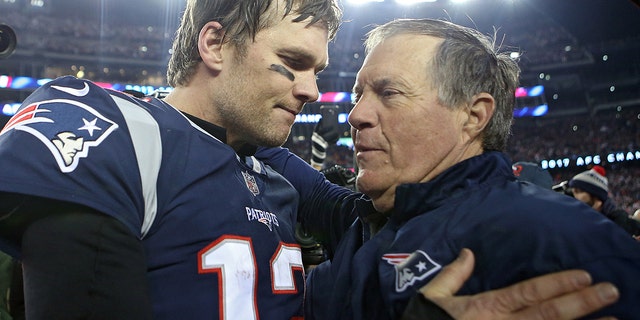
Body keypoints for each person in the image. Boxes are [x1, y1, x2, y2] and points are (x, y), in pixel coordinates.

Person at [0, 2, 621, 319]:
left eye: (318, 71)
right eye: (293, 63)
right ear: (214, 43)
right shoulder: (113, 125)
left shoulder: (277, 165)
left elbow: (413, 209)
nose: (309, 91)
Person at [257, 18, 640, 319]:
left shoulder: (561, 244)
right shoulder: (369, 222)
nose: (356, 115)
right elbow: (296, 174)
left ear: (473, 116)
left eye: (389, 93)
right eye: (359, 95)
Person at [568, 165, 640, 236]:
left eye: (578, 192)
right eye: (573, 192)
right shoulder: (576, 221)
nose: (574, 196)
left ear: (596, 196)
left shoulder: (621, 222)